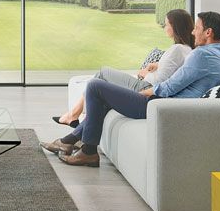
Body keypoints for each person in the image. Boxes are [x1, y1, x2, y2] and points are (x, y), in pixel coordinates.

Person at [54, 11, 220, 167]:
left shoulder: (201, 55)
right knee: (105, 96)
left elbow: (171, 86)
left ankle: (88, 151)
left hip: (161, 106)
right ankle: (70, 141)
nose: (193, 31)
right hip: (172, 105)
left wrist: (144, 92)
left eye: (197, 28)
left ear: (208, 32)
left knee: (96, 86)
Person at [51, 8, 195, 129]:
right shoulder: (186, 49)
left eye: (167, 24)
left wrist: (144, 73)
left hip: (147, 87)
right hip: (150, 87)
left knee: (102, 73)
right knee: (101, 81)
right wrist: (157, 65)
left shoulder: (177, 49)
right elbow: (173, 71)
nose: (165, 27)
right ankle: (76, 116)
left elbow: (160, 81)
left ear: (175, 27)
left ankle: (76, 116)